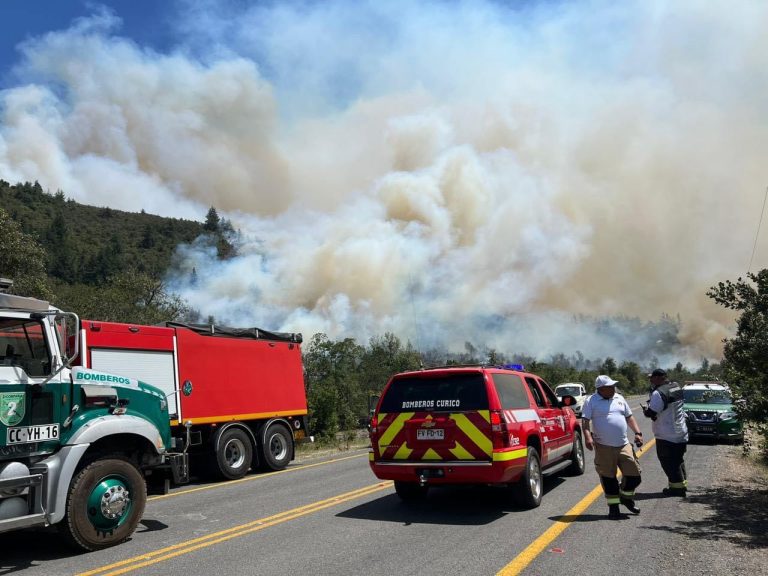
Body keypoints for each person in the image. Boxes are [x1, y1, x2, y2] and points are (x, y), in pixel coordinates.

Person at [582, 375, 644, 519]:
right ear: (601, 389)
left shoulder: (619, 398)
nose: (613, 388)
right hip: (603, 446)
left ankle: (625, 498)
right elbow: (585, 421)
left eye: (613, 386)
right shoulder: (591, 401)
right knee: (609, 478)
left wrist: (638, 433)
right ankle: (614, 508)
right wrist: (588, 437)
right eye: (610, 387)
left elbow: (629, 416)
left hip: (623, 444)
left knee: (635, 476)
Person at [642, 368, 689, 496]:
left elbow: (652, 412)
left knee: (668, 462)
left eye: (652, 378)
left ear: (658, 378)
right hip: (681, 431)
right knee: (678, 460)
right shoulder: (676, 386)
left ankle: (677, 489)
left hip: (667, 433)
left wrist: (646, 411)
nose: (650, 380)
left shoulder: (659, 393)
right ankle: (682, 484)